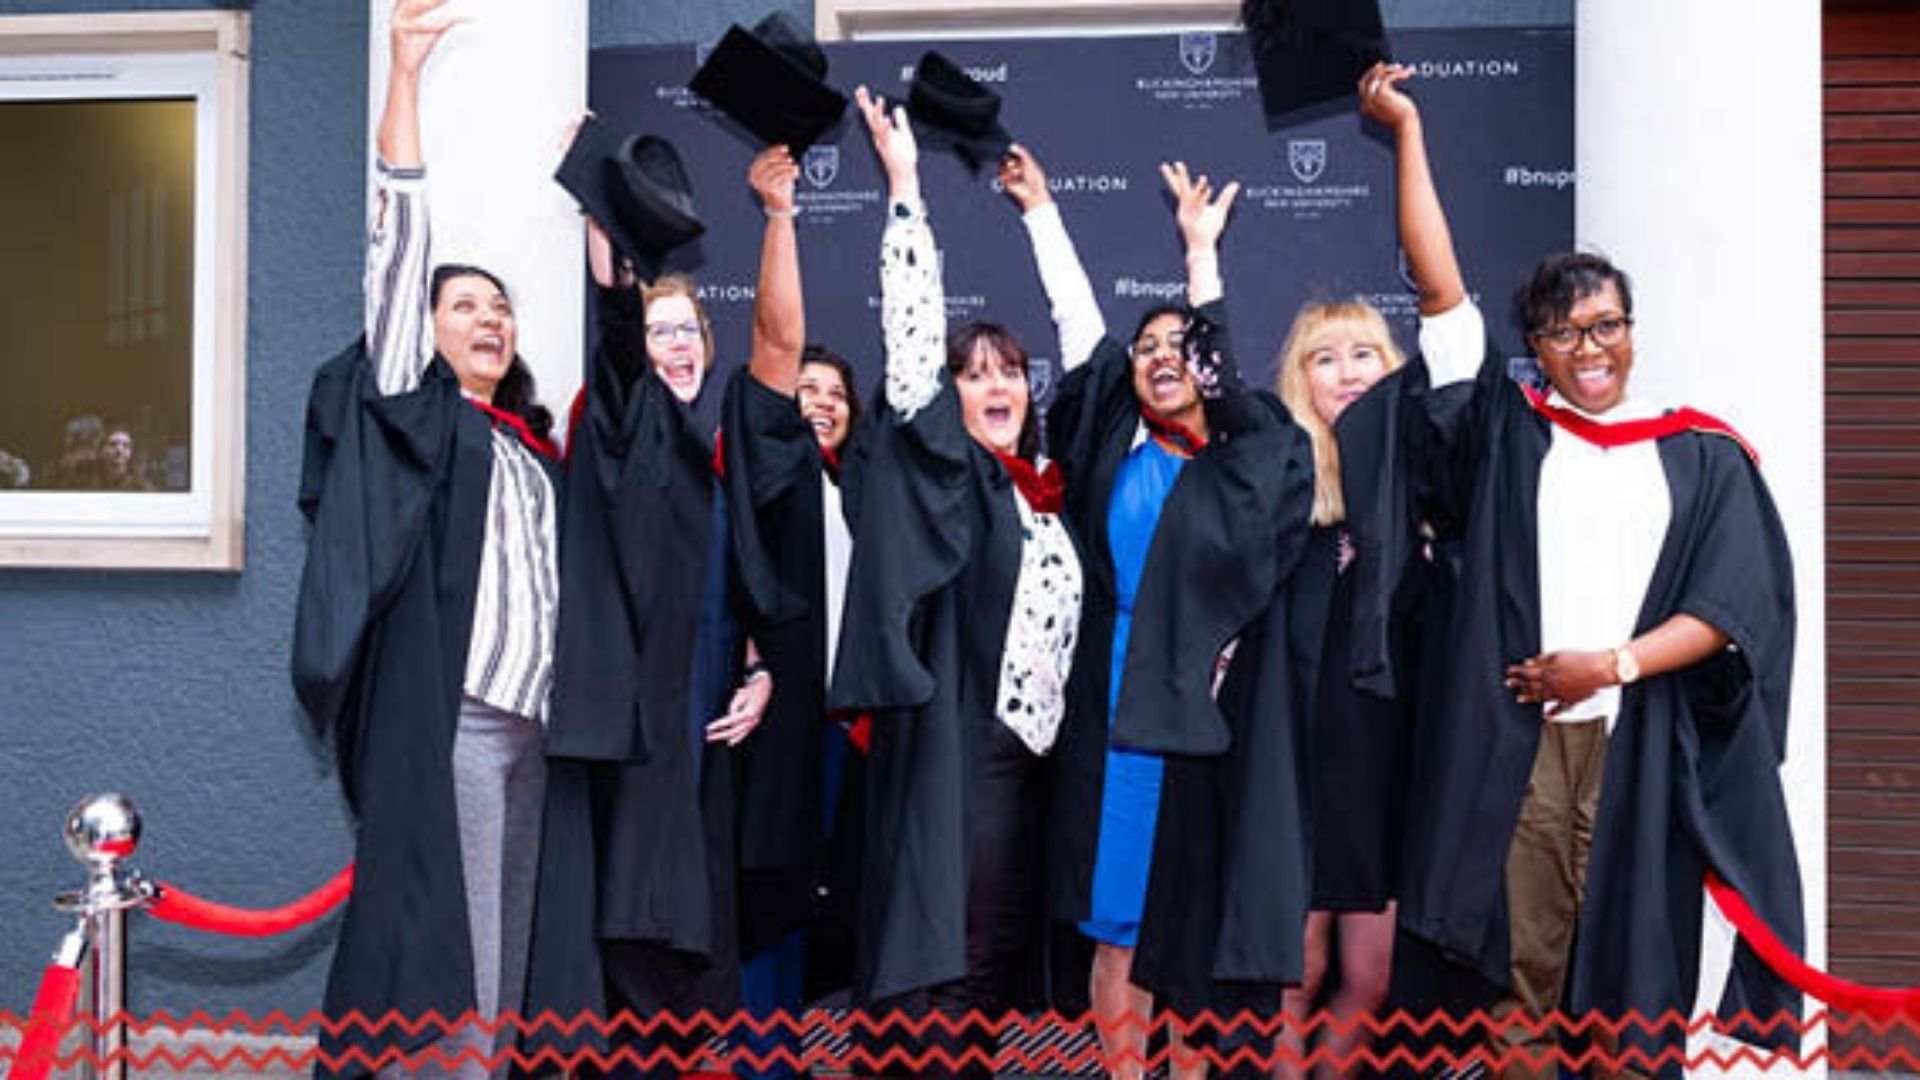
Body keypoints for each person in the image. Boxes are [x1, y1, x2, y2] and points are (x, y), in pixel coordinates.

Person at [1345, 62, 1805, 1080]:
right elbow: (1439, 291)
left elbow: (1729, 606)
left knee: (1637, 982)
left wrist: (1611, 665)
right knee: (1520, 981)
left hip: (1641, 740)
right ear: (1536, 348)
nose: (1588, 348)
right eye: (1562, 332)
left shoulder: (1699, 455)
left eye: (1605, 326)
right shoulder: (1511, 437)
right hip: (1522, 747)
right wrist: (1408, 130)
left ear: (1632, 331)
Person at [997, 145, 1314, 1080]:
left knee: (1199, 923)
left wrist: (1200, 257)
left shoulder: (1249, 455)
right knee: (1121, 927)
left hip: (1217, 722)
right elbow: (1077, 324)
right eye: (1149, 350)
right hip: (1120, 713)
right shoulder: (1113, 449)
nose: (1163, 359)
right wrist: (1041, 210)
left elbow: (1227, 381)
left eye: (1182, 348)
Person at [291, 2, 559, 1078]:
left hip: (532, 731)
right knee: (454, 977)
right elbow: (398, 255)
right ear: (427, 335)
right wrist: (403, 79)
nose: (490, 319)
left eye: (502, 309)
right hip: (458, 725)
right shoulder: (422, 413)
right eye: (467, 307)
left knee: (506, 976)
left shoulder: (531, 451)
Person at [826, 87, 1087, 1076]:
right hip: (960, 753)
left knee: (990, 976)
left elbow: (1092, 346)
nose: (996, 385)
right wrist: (905, 190)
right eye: (974, 373)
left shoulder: (1050, 492)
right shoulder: (957, 475)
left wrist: (1043, 215)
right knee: (945, 970)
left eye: (1009, 370)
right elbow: (910, 352)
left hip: (1031, 766)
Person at [531, 143, 789, 1080]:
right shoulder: (624, 424)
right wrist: (609, 244)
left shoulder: (713, 457)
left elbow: (735, 592)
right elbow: (612, 340)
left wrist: (759, 671)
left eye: (688, 331)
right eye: (659, 331)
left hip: (701, 744)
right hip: (634, 737)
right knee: (634, 951)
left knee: (688, 965)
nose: (675, 344)